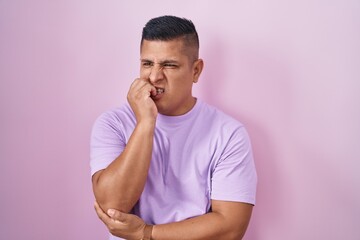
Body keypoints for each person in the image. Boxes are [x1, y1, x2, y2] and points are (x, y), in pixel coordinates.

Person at [90, 15, 257, 240]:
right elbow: (112, 207)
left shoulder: (228, 134)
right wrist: (146, 123)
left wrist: (147, 233)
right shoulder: (112, 123)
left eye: (169, 65)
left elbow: (230, 227)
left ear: (196, 71)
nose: (154, 76)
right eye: (147, 63)